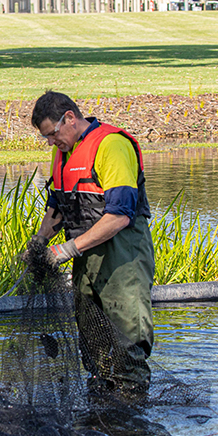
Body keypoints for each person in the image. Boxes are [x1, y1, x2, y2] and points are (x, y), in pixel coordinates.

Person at [28, 91, 155, 394]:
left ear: (69, 118)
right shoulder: (64, 152)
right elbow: (57, 206)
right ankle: (102, 413)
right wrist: (41, 241)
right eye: (46, 138)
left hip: (123, 258)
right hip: (87, 259)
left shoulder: (111, 145)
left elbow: (120, 216)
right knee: (94, 346)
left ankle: (133, 429)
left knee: (126, 342)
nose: (50, 142)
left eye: (52, 134)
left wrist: (67, 250)